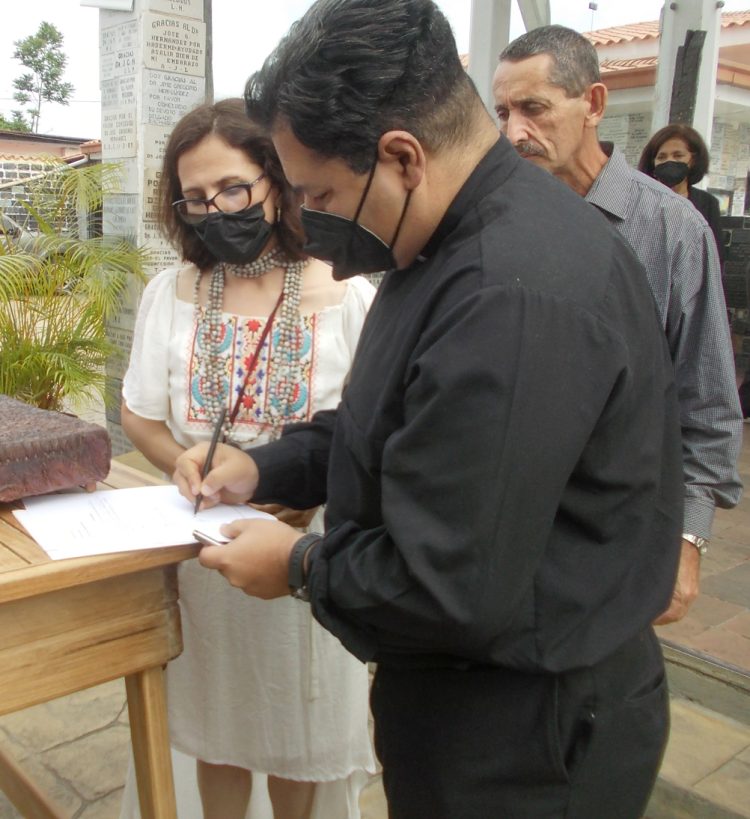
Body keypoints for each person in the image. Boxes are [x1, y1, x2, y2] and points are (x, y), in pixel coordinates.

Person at [173, 2, 684, 817]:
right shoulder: (440, 241)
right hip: (469, 707)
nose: (312, 222)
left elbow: (448, 582)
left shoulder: (506, 294)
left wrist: (299, 565)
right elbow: (400, 418)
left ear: (402, 157)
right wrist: (265, 464)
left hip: (524, 739)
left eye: (322, 193)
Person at [119, 98, 375, 819]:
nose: (216, 209)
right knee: (217, 736)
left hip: (310, 555)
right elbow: (137, 411)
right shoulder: (171, 293)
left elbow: (370, 432)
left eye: (233, 188)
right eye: (197, 198)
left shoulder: (349, 290)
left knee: (303, 739)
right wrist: (181, 459)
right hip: (206, 560)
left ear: (275, 178)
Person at [493, 24, 743, 626]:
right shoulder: (494, 222)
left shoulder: (672, 231)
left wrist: (688, 545)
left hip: (618, 534)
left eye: (534, 109)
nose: (513, 132)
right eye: (501, 112)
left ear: (594, 105)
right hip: (503, 529)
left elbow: (706, 403)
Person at [638, 122, 725, 266]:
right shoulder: (639, 200)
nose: (669, 161)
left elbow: (715, 256)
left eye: (678, 155)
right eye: (661, 157)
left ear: (694, 160)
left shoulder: (707, 203)